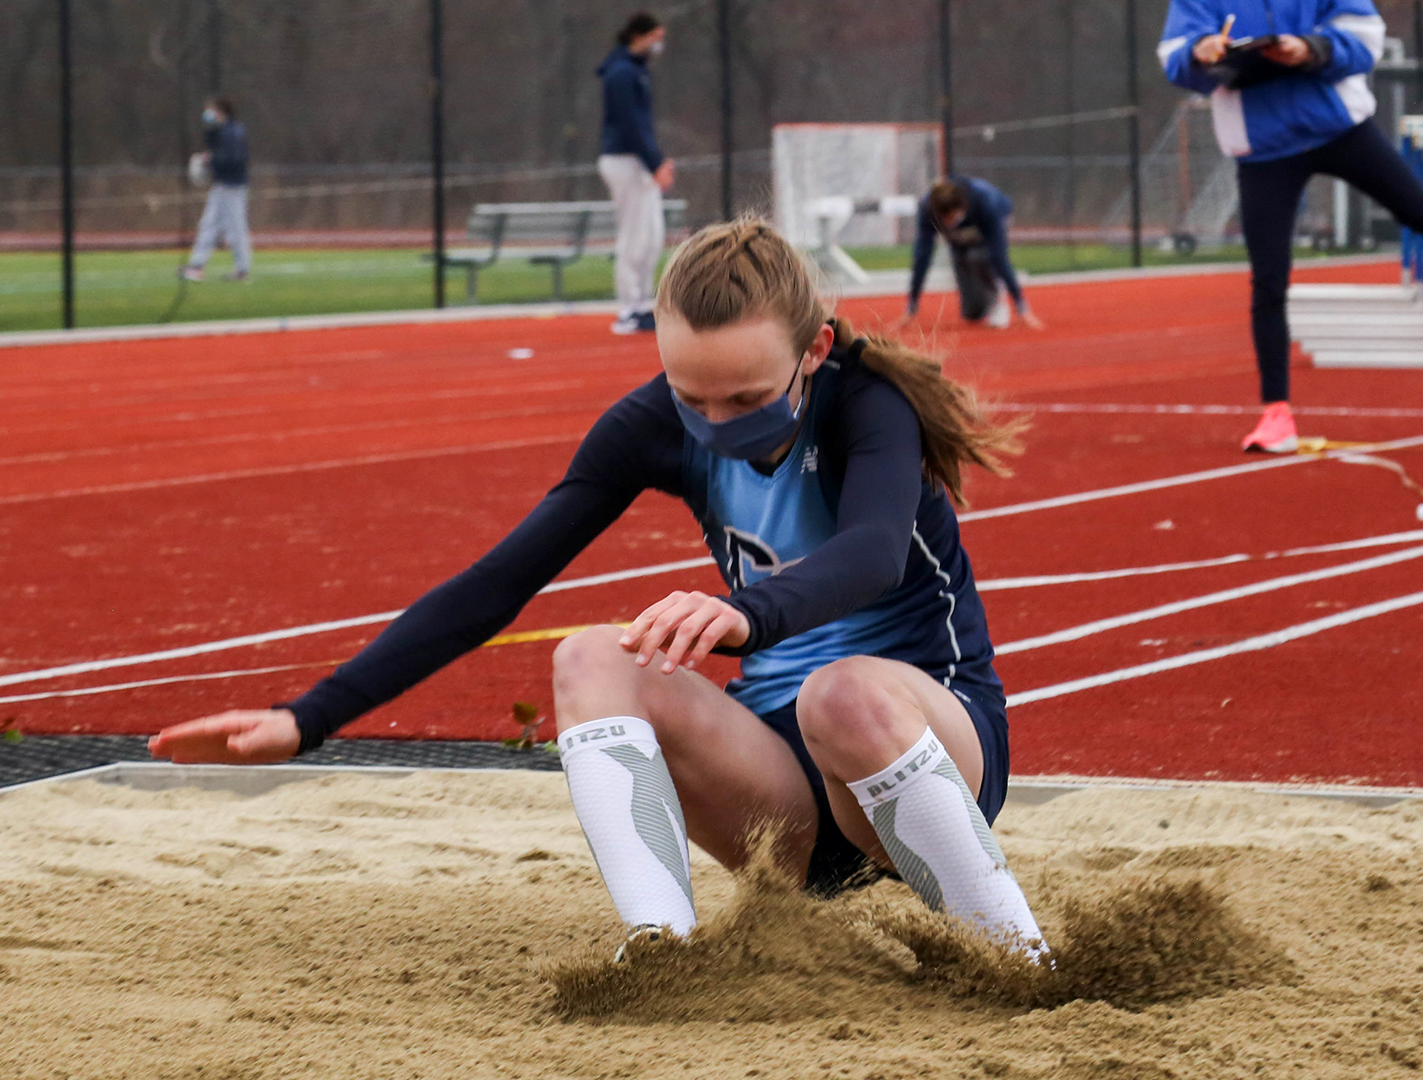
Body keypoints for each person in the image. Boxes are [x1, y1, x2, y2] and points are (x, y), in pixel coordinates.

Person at [149, 218, 1048, 962]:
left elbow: (874, 553)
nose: (716, 425)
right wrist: (306, 719)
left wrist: (745, 614)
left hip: (930, 760)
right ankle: (664, 952)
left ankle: (1014, 957)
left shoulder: (867, 407)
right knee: (589, 653)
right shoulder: (651, 424)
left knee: (840, 690)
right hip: (787, 810)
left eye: (745, 398)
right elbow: (499, 583)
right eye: (693, 398)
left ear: (814, 351)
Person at [1159, 0, 1423, 454]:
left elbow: (1365, 37)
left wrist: (1311, 49)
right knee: (1268, 279)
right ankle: (1276, 413)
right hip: (1264, 147)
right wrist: (1202, 52)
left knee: (1421, 210)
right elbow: (1174, 57)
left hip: (1337, 125)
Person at [598, 12, 675, 336]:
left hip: (640, 163)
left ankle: (644, 303)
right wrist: (655, 162)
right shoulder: (621, 74)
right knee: (634, 236)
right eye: (656, 37)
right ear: (639, 36)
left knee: (652, 236)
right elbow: (631, 126)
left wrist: (655, 161)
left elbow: (643, 126)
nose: (659, 44)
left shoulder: (637, 72)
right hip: (624, 160)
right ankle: (629, 307)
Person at [897, 177, 1044, 331]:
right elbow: (922, 256)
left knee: (979, 255)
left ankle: (997, 301)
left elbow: (999, 256)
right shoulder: (927, 209)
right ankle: (980, 300)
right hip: (963, 234)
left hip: (990, 221)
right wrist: (911, 307)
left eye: (952, 217)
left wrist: (1022, 308)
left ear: (962, 207)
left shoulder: (986, 202)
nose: (949, 223)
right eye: (944, 219)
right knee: (972, 313)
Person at [180, 97, 251, 283]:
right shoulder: (224, 131)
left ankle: (242, 269)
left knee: (234, 228)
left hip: (231, 185)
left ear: (220, 111)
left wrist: (211, 160)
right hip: (223, 184)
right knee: (209, 225)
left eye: (211, 111)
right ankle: (197, 265)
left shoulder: (232, 132)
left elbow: (234, 159)